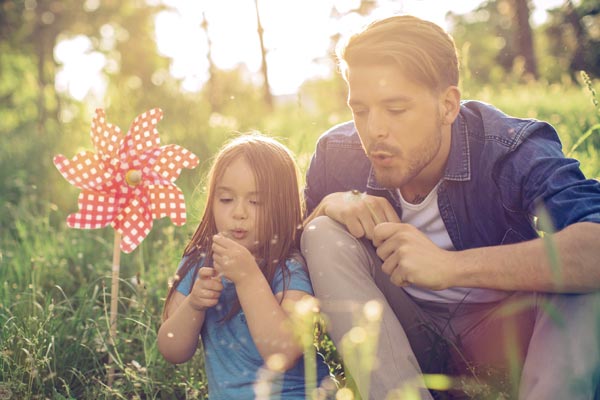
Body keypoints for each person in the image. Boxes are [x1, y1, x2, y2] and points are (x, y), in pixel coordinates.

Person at [301, 14, 600, 400]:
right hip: (409, 337)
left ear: (447, 105)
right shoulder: (337, 154)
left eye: (396, 109)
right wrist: (326, 206)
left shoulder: (509, 147)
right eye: (360, 110)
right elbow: (290, 264)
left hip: (514, 336)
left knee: (585, 276)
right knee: (320, 232)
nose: (374, 129)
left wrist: (450, 268)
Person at [158, 134, 329, 399]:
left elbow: (282, 352)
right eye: (226, 199)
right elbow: (172, 350)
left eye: (256, 202)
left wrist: (248, 278)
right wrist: (194, 304)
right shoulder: (199, 263)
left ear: (282, 207)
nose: (239, 212)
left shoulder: (289, 268)